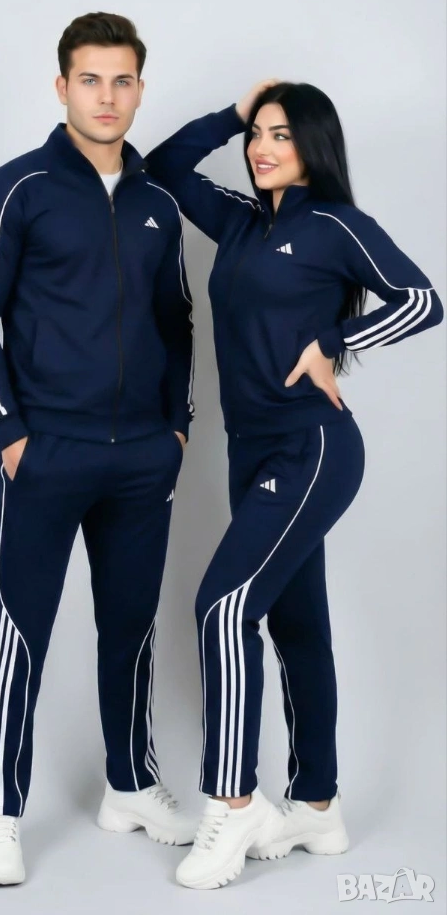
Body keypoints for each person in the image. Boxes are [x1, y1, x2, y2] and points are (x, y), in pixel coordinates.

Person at [144, 78, 444, 890]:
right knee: (296, 623)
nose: (261, 148)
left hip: (310, 447)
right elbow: (163, 168)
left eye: (280, 134)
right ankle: (318, 806)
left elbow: (423, 300)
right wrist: (233, 112)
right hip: (250, 453)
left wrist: (335, 342)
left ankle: (232, 804)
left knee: (224, 606)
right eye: (258, 135)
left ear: (313, 144)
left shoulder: (336, 225)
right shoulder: (242, 221)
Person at [0, 12, 198, 887]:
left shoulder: (158, 204)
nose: (107, 96)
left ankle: (129, 785)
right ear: (62, 87)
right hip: (45, 452)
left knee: (130, 628)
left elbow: (179, 319)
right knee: (18, 632)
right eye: (90, 79)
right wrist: (10, 434)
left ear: (140, 88)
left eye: (122, 80)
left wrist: (177, 429)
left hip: (142, 460)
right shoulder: (16, 189)